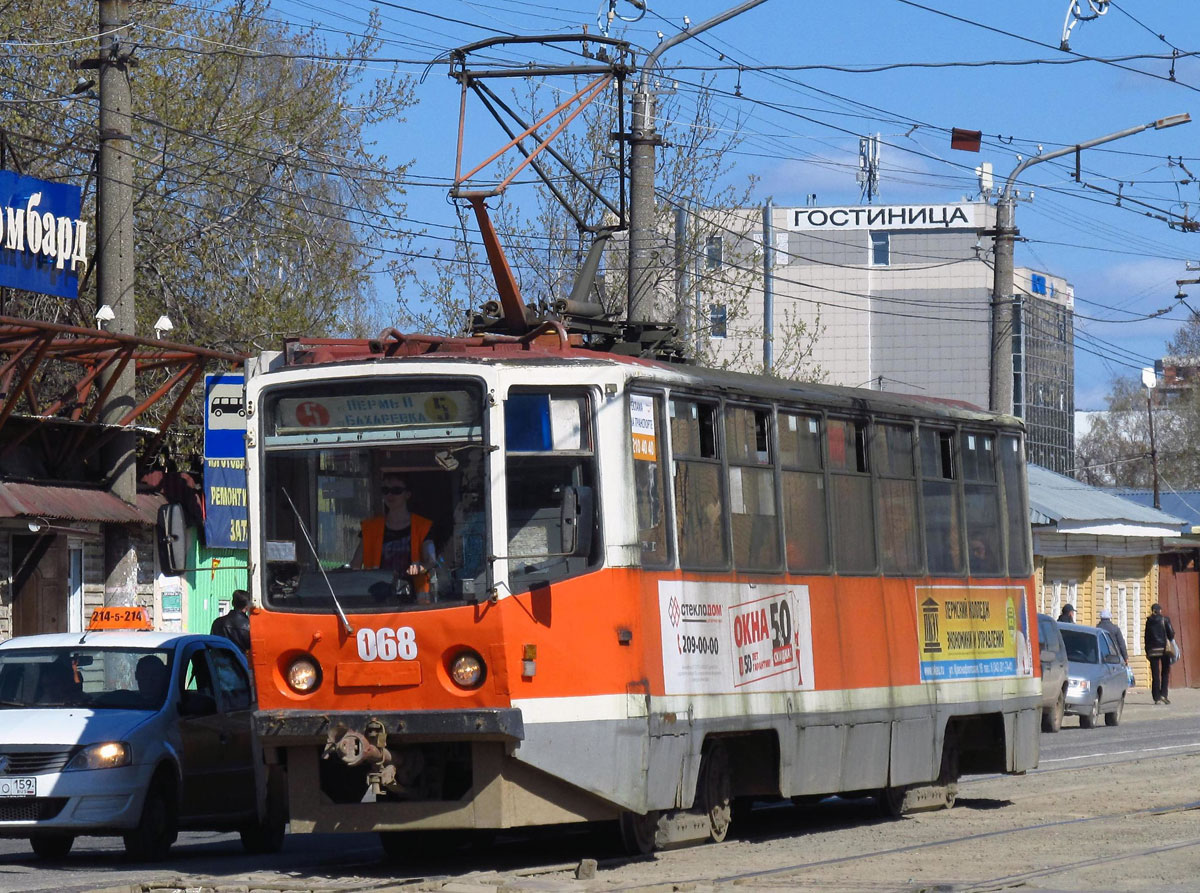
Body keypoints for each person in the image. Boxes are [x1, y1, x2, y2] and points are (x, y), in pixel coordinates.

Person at [353, 473, 438, 602]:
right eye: (385, 491)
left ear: (407, 494)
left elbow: (431, 560)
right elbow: (355, 566)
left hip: (415, 600)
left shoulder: (422, 526)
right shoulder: (370, 528)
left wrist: (419, 567)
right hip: (376, 598)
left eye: (396, 490)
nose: (390, 495)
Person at [1145, 602, 1176, 705]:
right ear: (1160, 610)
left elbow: (1146, 637)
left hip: (1152, 651)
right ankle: (1164, 694)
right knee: (1165, 672)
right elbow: (1171, 635)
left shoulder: (1148, 621)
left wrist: (1147, 651)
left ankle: (1156, 697)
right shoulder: (1165, 620)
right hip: (1164, 650)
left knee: (1155, 674)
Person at [211, 589, 251, 655]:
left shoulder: (217, 622)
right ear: (247, 606)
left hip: (218, 662)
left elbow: (212, 644)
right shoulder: (250, 626)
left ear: (232, 603)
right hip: (241, 663)